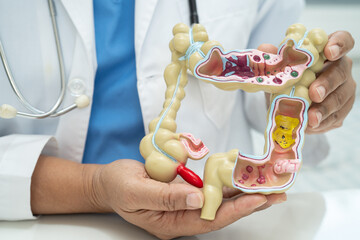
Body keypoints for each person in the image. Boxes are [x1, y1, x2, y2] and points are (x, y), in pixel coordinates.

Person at [0, 0, 355, 239]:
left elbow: (266, 76)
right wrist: (93, 187)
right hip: (33, 223)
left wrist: (309, 93)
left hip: (219, 225)